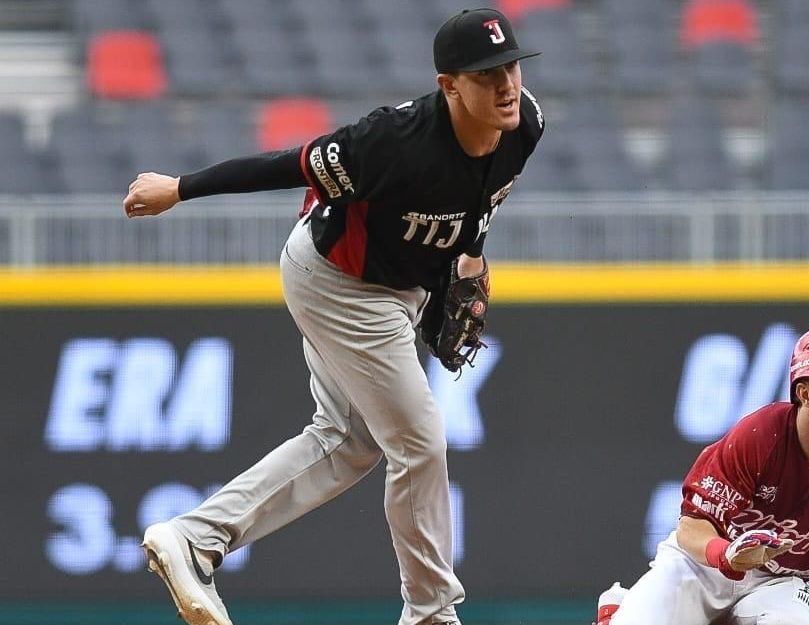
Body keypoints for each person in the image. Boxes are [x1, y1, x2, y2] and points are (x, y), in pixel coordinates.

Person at [122, 8, 542, 625]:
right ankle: (430, 613)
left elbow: (472, 209)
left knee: (348, 442)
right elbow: (285, 165)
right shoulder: (391, 141)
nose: (506, 84)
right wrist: (181, 188)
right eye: (486, 75)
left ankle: (195, 538)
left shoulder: (525, 124)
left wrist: (463, 268)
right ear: (449, 86)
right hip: (338, 283)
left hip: (396, 288)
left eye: (510, 67)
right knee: (419, 440)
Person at [599, 322, 809, 625]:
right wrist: (727, 556)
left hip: (779, 583)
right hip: (703, 567)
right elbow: (692, 528)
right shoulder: (761, 437)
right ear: (805, 394)